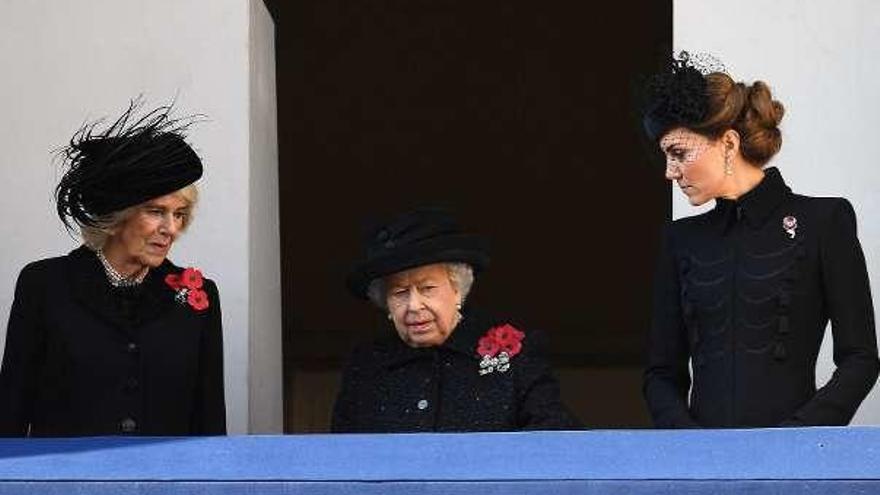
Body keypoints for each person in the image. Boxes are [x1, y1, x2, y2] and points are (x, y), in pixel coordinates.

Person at [641, 52, 879, 428]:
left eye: (679, 153)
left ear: (729, 143)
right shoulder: (680, 239)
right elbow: (661, 374)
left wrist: (797, 439)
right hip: (701, 470)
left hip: (796, 464)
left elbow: (861, 358)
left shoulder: (824, 222)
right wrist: (691, 447)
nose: (671, 172)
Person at [0, 102, 226, 436]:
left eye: (179, 214)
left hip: (163, 485)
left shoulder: (198, 296)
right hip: (65, 484)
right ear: (116, 217)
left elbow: (209, 423)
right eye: (156, 211)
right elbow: (10, 412)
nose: (171, 229)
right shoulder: (45, 286)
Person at [331, 209, 578, 432]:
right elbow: (339, 458)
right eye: (400, 293)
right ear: (385, 303)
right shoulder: (367, 365)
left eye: (427, 288)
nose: (414, 306)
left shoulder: (515, 353)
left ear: (458, 288)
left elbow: (556, 442)